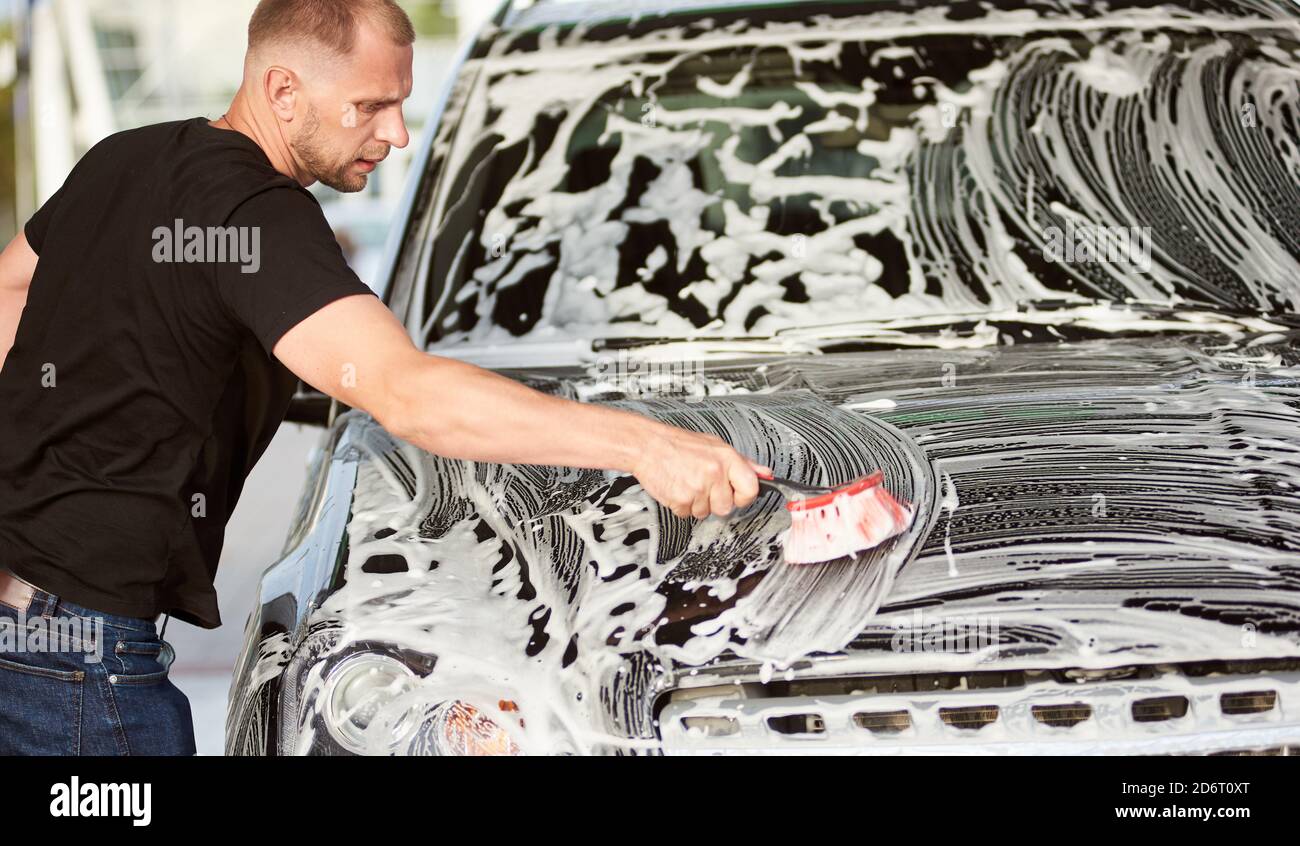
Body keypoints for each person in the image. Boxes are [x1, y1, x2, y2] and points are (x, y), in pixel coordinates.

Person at [0, 0, 767, 756]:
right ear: (282, 90)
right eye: (370, 106)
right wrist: (648, 447)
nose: (395, 134)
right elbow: (406, 393)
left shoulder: (124, 156)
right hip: (77, 666)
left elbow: (12, 286)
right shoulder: (258, 213)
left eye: (400, 105)